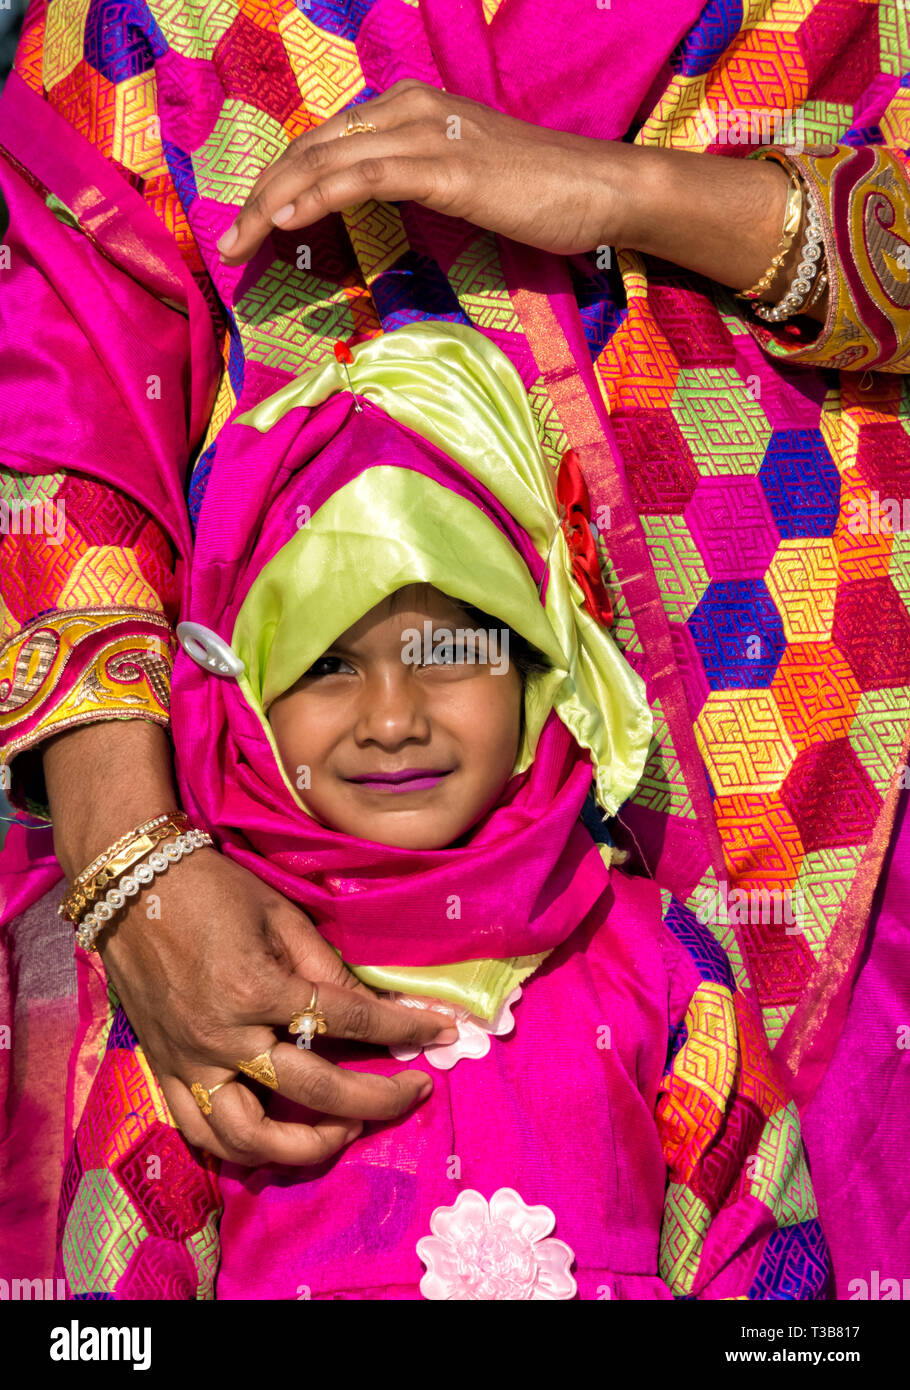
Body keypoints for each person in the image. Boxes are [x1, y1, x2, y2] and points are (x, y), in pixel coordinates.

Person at [1, 0, 908, 1295]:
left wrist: (618, 188)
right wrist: (132, 864)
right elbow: (69, 388)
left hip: (814, 771)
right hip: (287, 861)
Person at [61, 322, 829, 1298]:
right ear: (247, 701)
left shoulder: (654, 960)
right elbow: (116, 1277)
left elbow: (763, 1255)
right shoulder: (213, 986)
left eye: (448, 652)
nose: (390, 719)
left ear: (537, 663)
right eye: (327, 663)